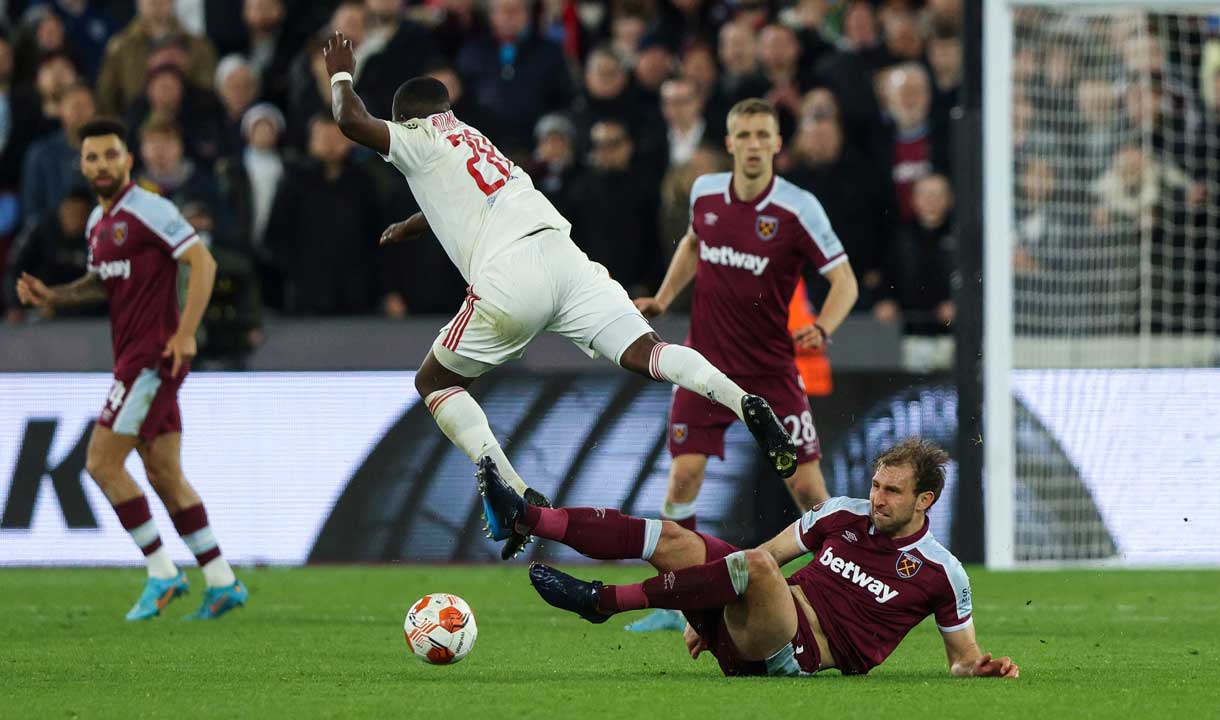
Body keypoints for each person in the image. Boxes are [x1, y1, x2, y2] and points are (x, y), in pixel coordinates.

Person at [321, 31, 797, 561]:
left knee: (434, 381)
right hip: (565, 257)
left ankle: (515, 493)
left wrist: (341, 73)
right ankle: (744, 400)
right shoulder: (475, 138)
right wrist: (416, 222)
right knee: (650, 352)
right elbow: (468, 196)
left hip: (508, 275)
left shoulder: (419, 137)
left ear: (409, 119)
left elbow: (350, 121)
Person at [478, 439, 1020, 680]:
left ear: (924, 501)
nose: (877, 498)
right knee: (674, 538)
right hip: (747, 618)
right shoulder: (841, 514)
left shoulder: (941, 572)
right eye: (877, 485)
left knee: (755, 570)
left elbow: (961, 656)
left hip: (791, 655)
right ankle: (530, 519)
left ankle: (604, 601)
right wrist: (708, 594)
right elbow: (768, 552)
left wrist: (978, 668)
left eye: (893, 492)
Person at [628, 98, 858, 631]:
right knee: (682, 480)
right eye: (744, 135)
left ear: (778, 143)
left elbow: (845, 281)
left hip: (771, 372)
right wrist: (662, 300)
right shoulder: (705, 192)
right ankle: (681, 601)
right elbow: (691, 244)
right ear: (729, 143)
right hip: (703, 367)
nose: (754, 145)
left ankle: (841, 591)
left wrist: (822, 328)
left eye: (763, 135)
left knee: (809, 493)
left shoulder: (799, 208)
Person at [12, 117, 247, 621]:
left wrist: (185, 332)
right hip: (134, 356)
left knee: (101, 463)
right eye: (92, 157)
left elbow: (201, 263)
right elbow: (104, 282)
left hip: (152, 356)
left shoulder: (149, 208)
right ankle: (223, 581)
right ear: (82, 164)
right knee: (164, 473)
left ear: (128, 160)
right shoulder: (100, 224)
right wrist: (55, 295)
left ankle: (162, 571)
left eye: (110, 155)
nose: (101, 165)